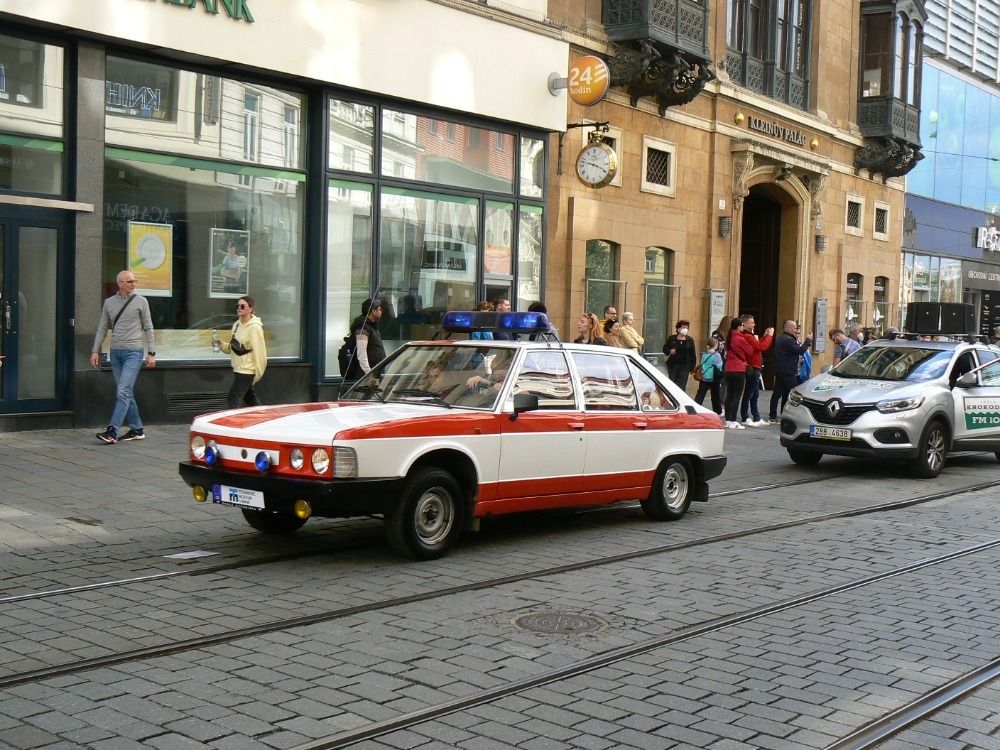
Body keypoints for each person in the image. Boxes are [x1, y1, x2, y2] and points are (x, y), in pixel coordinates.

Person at [90, 270, 156, 444]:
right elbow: (102, 328)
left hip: (134, 352)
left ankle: (112, 431)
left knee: (123, 391)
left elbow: (148, 327)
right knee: (126, 392)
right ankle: (137, 429)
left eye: (134, 281)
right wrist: (95, 350)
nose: (133, 284)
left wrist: (151, 353)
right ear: (120, 283)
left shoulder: (141, 301)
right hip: (116, 354)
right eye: (130, 281)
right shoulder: (109, 303)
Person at [221, 296, 268, 408]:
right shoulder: (237, 325)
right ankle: (262, 416)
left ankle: (234, 419)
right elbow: (234, 347)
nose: (239, 308)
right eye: (237, 306)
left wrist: (258, 374)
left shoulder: (255, 328)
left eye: (242, 306)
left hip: (247, 369)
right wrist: (222, 345)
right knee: (250, 399)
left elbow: (260, 352)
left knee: (233, 398)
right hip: (238, 367)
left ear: (251, 309)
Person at [769, 320, 812, 422]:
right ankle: (785, 415)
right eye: (795, 328)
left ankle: (774, 415)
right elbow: (800, 351)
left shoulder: (782, 338)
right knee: (791, 393)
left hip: (781, 370)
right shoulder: (788, 340)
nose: (796, 330)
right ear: (789, 328)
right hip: (788, 371)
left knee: (778, 393)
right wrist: (808, 340)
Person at [739, 314, 774, 426]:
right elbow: (761, 347)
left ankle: (756, 416)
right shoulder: (747, 336)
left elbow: (757, 346)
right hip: (753, 367)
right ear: (745, 324)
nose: (754, 324)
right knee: (749, 393)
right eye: (751, 322)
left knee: (754, 394)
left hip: (755, 366)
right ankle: (745, 416)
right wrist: (769, 336)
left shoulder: (749, 335)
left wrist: (764, 336)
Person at [723, 318, 753, 429]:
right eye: (742, 325)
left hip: (728, 369)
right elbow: (750, 350)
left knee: (729, 395)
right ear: (739, 326)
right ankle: (733, 420)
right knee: (736, 395)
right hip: (738, 369)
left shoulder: (729, 337)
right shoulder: (740, 338)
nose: (743, 327)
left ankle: (727, 420)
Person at [346, 298, 386, 379]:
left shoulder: (372, 325)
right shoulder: (363, 327)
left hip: (376, 371)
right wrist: (369, 374)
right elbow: (361, 353)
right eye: (380, 309)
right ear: (373, 311)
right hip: (367, 375)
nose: (381, 311)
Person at [663, 319, 696, 390]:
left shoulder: (690, 340)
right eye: (683, 327)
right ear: (678, 328)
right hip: (673, 366)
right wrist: (670, 351)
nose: (685, 329)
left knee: (682, 385)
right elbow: (665, 349)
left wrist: (692, 368)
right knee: (672, 384)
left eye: (687, 328)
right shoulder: (672, 338)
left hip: (685, 367)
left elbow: (693, 354)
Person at [694, 337, 723, 414]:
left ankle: (696, 408)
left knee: (700, 394)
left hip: (704, 377)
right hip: (713, 377)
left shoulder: (704, 354)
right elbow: (720, 365)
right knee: (715, 396)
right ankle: (718, 411)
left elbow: (702, 364)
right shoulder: (717, 355)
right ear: (715, 345)